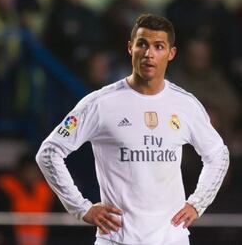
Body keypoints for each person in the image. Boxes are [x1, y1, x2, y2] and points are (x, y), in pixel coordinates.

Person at [36, 14, 229, 245]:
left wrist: (198, 203)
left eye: (158, 46)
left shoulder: (185, 105)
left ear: (171, 54)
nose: (149, 54)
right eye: (142, 44)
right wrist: (81, 207)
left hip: (171, 238)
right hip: (117, 239)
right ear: (130, 48)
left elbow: (218, 154)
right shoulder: (100, 103)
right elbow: (49, 152)